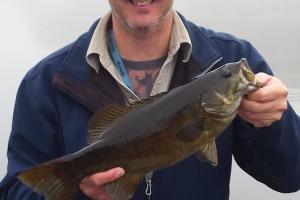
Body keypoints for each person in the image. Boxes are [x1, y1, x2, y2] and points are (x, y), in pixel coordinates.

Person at [0, 0, 300, 199]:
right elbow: (16, 191)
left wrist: (275, 121)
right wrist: (79, 192)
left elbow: (290, 177)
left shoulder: (230, 62)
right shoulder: (45, 82)